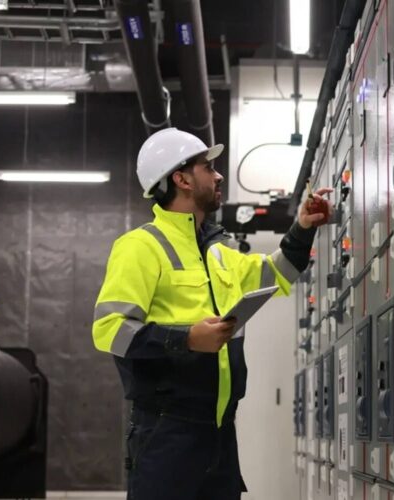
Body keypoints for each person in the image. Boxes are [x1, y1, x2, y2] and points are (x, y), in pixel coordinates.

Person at [91, 128, 332, 499]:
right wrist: (186, 338)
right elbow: (109, 329)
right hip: (166, 432)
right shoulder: (140, 246)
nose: (218, 176)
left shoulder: (218, 251)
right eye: (208, 167)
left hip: (219, 432)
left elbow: (278, 272)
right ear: (182, 179)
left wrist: (302, 227)